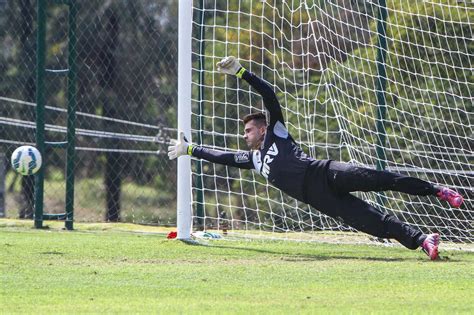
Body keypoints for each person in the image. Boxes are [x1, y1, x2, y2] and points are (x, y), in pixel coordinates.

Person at [168, 56, 464, 260]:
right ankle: (424, 241)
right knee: (375, 223)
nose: (245, 135)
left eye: (249, 130)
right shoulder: (253, 160)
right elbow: (222, 156)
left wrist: (241, 73)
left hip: (326, 173)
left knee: (381, 180)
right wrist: (189, 149)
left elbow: (270, 95)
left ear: (262, 129)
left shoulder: (277, 133)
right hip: (322, 200)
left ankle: (438, 190)